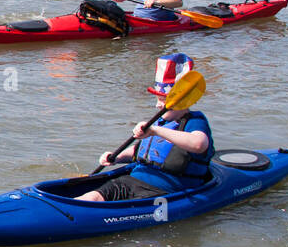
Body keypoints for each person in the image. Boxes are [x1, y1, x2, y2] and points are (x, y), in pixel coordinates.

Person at [78, 54, 213, 202]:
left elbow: (199, 144)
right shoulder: (161, 121)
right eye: (157, 99)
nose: (157, 105)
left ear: (182, 100)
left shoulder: (194, 121)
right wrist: (117, 157)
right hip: (132, 180)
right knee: (93, 197)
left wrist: (155, 130)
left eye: (162, 100)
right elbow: (139, 151)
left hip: (163, 190)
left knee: (124, 206)